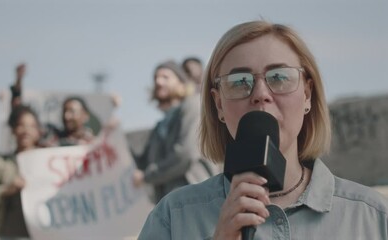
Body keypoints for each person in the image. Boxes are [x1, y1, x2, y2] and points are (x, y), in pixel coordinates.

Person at [138, 21, 388, 239]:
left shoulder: (373, 216)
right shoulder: (172, 218)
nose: (260, 95)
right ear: (219, 105)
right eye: (239, 82)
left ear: (307, 94)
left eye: (279, 77)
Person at [132, 60, 218, 204]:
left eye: (165, 77)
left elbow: (186, 154)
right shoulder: (159, 128)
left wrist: (147, 177)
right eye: (156, 78)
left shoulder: (193, 107)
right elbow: (140, 164)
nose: (158, 81)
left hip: (196, 202)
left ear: (181, 83)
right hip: (170, 207)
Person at [0, 106, 41, 240]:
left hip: (44, 234)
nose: (26, 131)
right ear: (13, 130)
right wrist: (6, 190)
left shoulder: (49, 163)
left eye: (31, 126)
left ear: (38, 131)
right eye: (21, 125)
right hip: (9, 235)